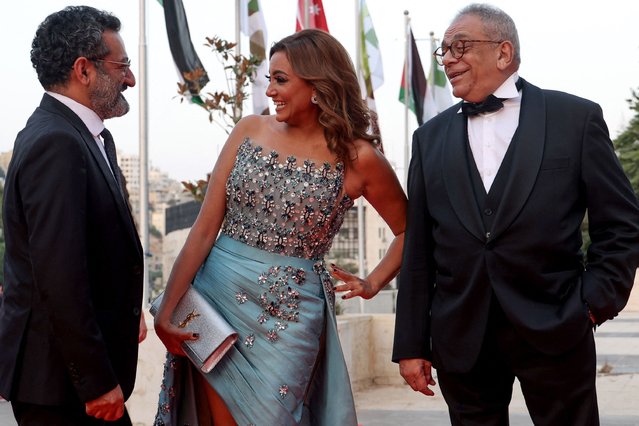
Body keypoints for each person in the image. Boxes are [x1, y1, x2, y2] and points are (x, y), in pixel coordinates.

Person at [393, 3, 639, 425]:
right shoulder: (429, 138)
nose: (448, 58)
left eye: (460, 46)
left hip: (558, 325)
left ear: (503, 52)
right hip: (461, 335)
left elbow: (620, 224)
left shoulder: (575, 119)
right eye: (445, 50)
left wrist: (593, 304)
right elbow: (418, 248)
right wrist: (412, 342)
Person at [153, 28, 406, 426]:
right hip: (216, 300)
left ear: (318, 85)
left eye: (281, 80)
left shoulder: (360, 158)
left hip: (289, 317)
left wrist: (373, 283)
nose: (270, 90)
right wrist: (167, 308)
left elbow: (410, 231)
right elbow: (204, 229)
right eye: (269, 79)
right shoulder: (249, 129)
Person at [0, 6, 145, 425]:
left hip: (71, 379)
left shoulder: (86, 137)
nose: (130, 80)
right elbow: (58, 275)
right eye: (123, 66)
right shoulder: (58, 143)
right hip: (61, 386)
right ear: (84, 70)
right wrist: (96, 381)